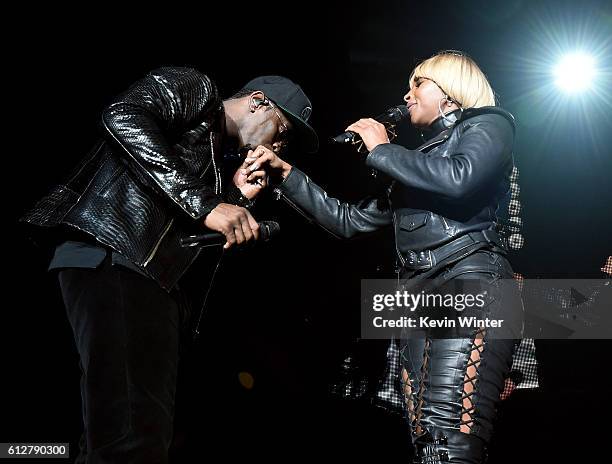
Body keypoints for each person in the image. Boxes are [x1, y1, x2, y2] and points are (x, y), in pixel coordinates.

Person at [20, 68, 318, 463]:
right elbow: (123, 115)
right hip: (117, 258)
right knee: (134, 438)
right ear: (258, 101)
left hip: (141, 273)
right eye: (282, 130)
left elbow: (185, 234)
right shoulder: (197, 88)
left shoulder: (213, 163)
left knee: (111, 434)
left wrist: (236, 197)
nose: (280, 145)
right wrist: (207, 203)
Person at [245, 50, 522, 463]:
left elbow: (460, 178)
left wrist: (381, 149)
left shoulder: (490, 123)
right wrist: (286, 174)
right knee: (426, 441)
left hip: (468, 281)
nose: (407, 95)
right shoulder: (416, 163)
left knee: (451, 439)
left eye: (418, 84)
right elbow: (348, 221)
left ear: (450, 92)